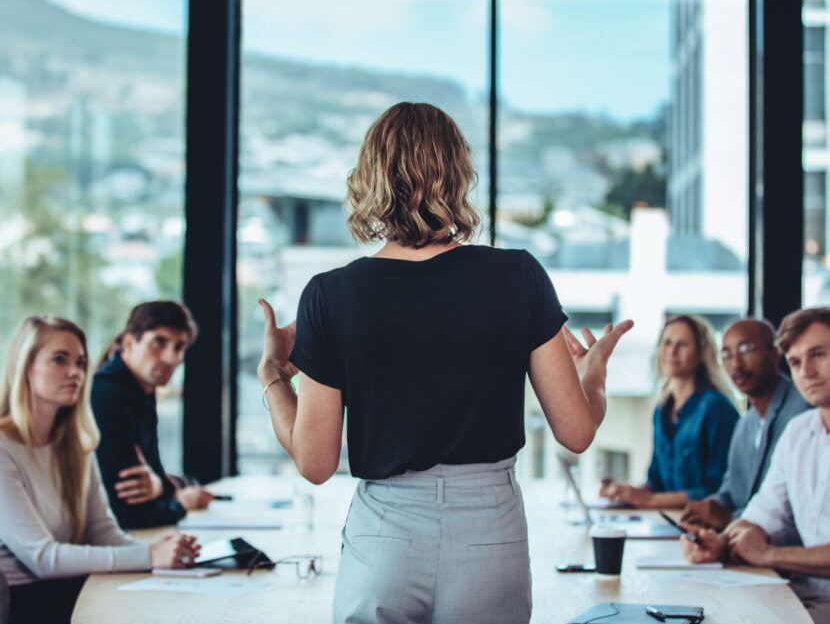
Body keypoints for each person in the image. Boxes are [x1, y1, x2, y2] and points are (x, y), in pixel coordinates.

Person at [257, 102, 632, 624]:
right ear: (457, 175)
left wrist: (274, 376)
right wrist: (593, 375)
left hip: (384, 536)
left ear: (369, 178)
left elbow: (315, 462)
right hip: (489, 530)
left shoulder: (331, 294)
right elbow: (576, 431)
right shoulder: (517, 275)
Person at [0, 316, 198, 624]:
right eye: (59, 360)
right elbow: (42, 558)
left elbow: (103, 532)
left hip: (73, 589)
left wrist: (162, 551)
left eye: (80, 362)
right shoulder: (3, 449)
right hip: (23, 604)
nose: (75, 372)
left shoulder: (75, 445)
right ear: (25, 365)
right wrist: (148, 556)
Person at [682, 307, 830, 623]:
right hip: (805, 597)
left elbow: (766, 547)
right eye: (796, 362)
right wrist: (720, 543)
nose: (807, 371)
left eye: (818, 355)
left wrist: (769, 554)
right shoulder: (799, 432)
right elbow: (762, 514)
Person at [93, 301, 213, 529]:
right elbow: (128, 512)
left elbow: (156, 477)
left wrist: (162, 487)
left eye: (179, 347)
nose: (171, 358)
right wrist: (179, 502)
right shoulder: (108, 395)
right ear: (129, 342)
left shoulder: (142, 393)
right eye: (159, 342)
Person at [680, 319, 809, 531]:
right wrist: (711, 507)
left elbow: (793, 510)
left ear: (776, 353)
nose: (736, 364)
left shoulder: (803, 413)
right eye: (727, 355)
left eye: (747, 350)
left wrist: (729, 518)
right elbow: (729, 492)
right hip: (742, 544)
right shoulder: (745, 424)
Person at [600, 315, 739, 509]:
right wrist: (626, 492)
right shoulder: (661, 409)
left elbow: (718, 490)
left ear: (701, 354)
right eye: (666, 343)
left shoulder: (717, 407)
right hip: (665, 520)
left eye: (682, 345)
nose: (671, 352)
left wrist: (649, 501)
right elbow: (655, 482)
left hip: (701, 526)